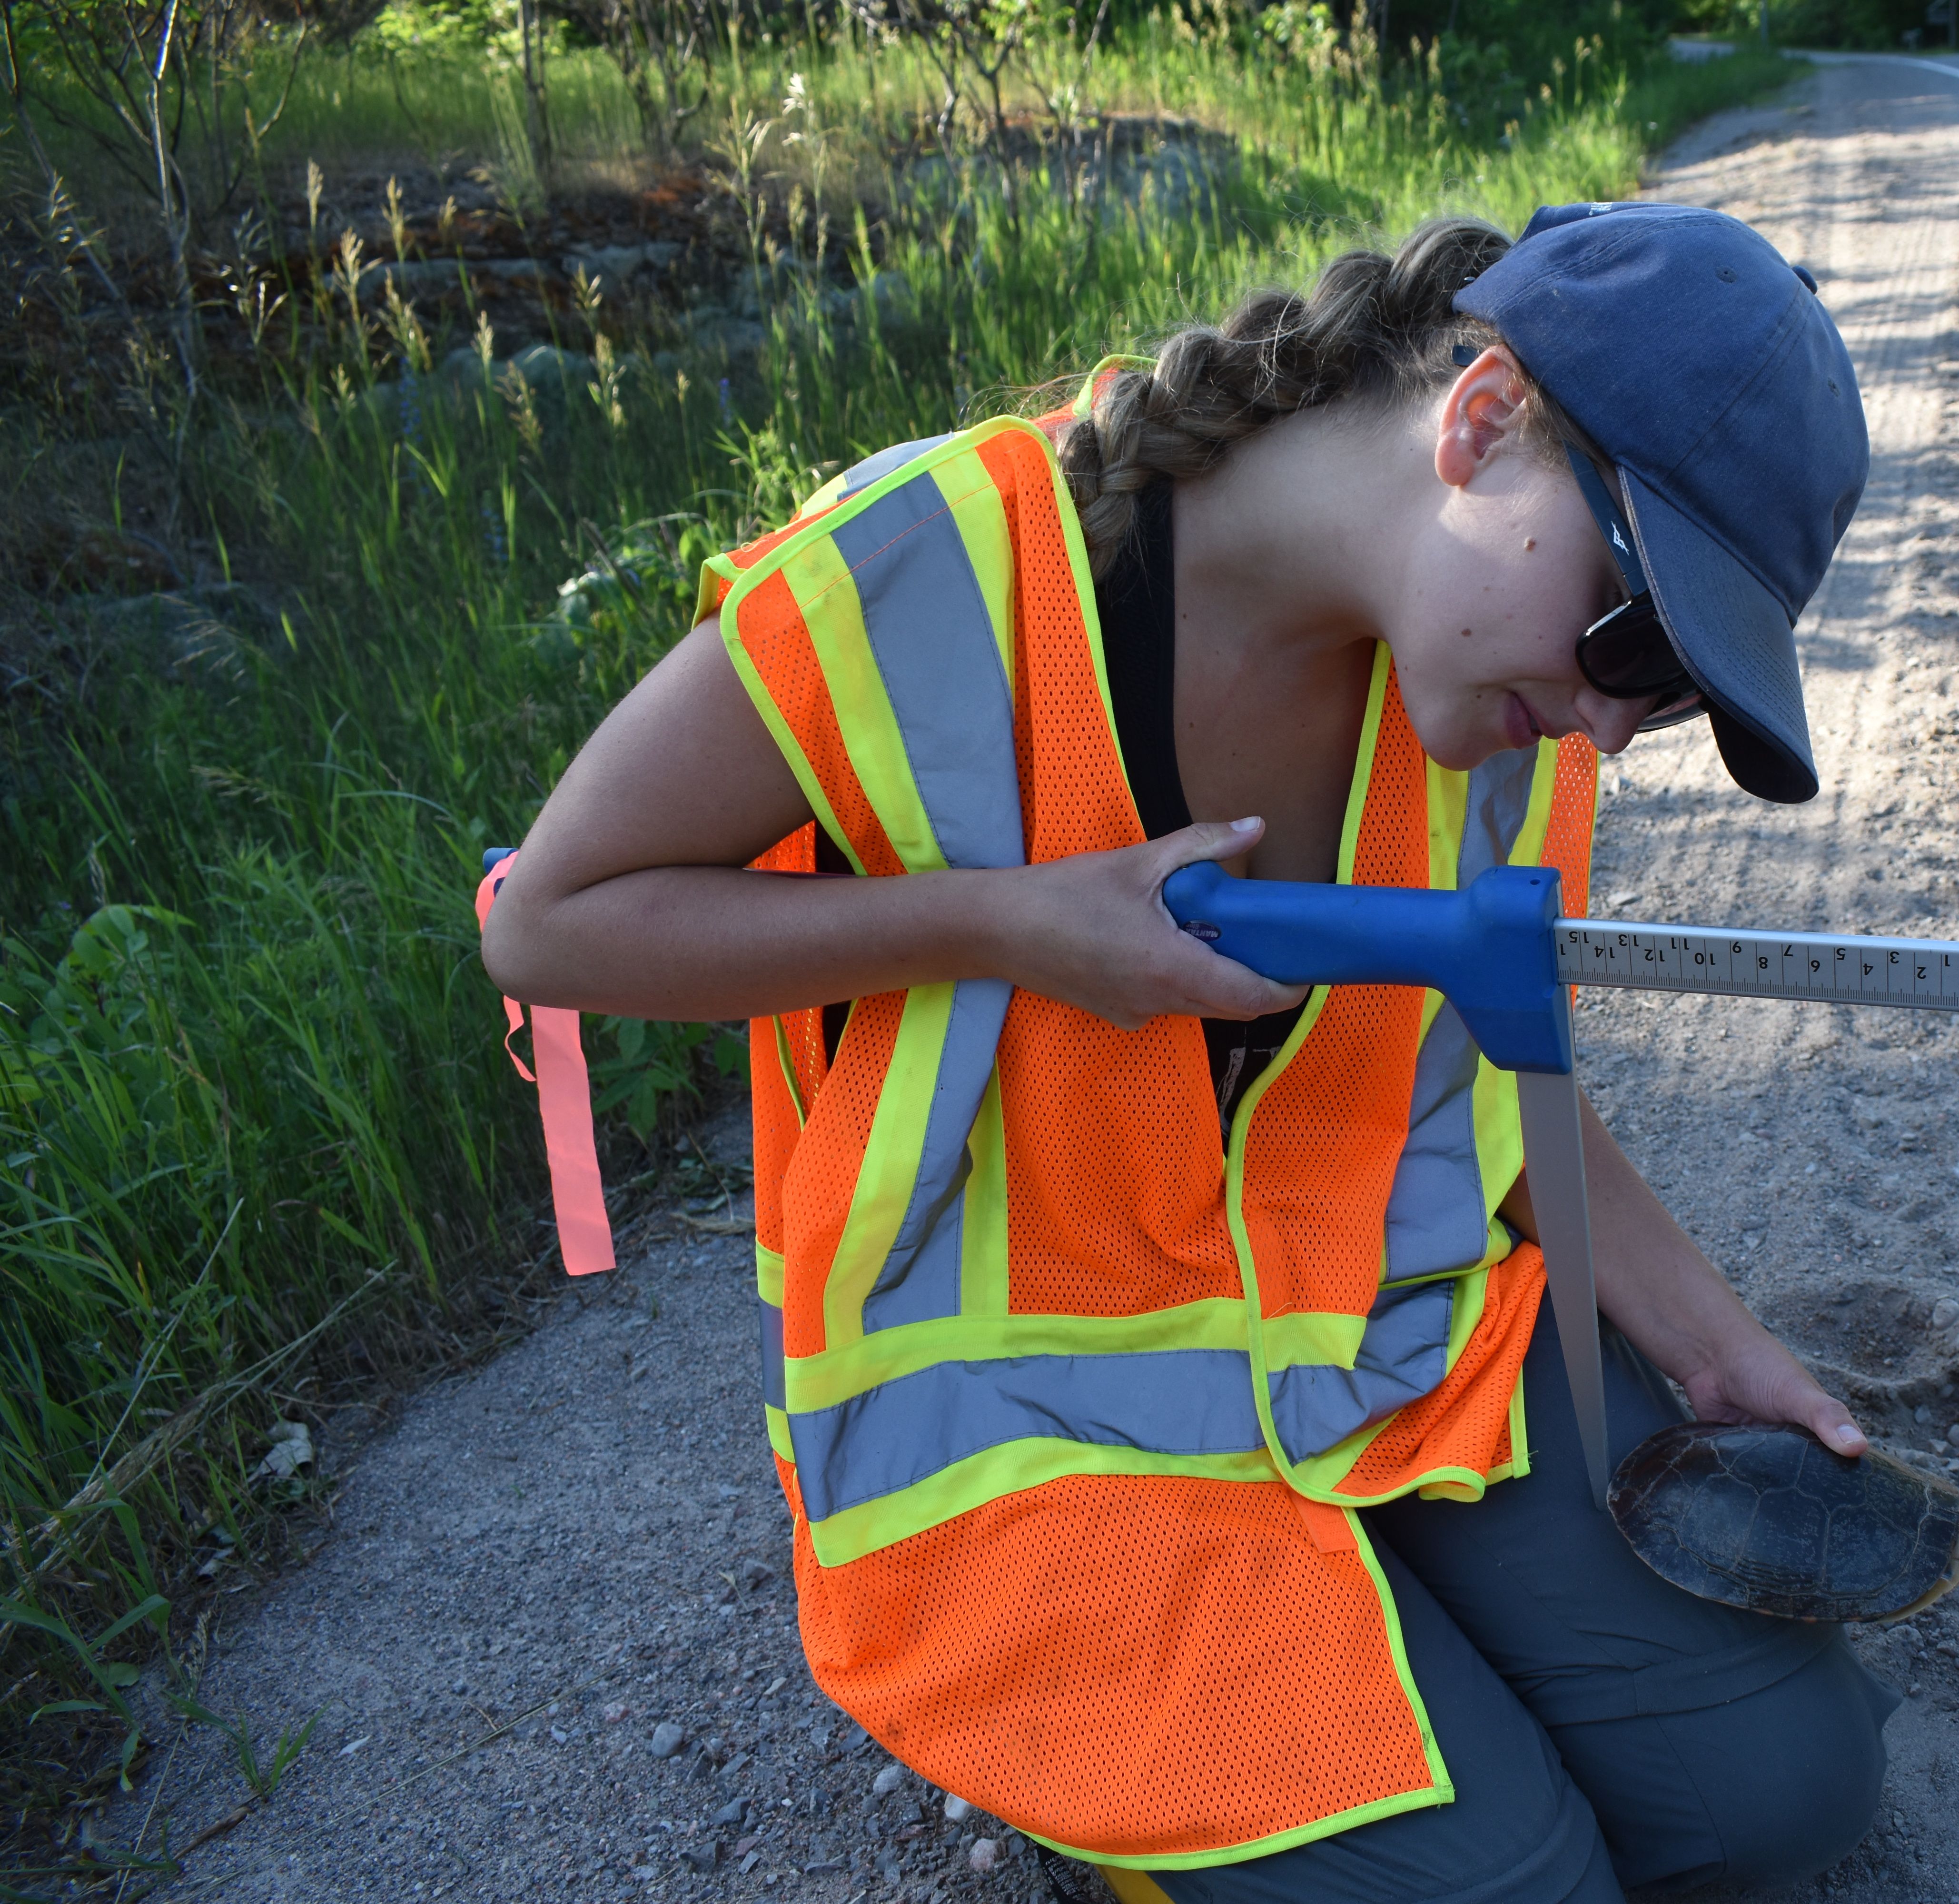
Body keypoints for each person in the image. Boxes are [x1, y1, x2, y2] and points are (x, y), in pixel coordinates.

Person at [481, 202, 1886, 1902]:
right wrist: (1007, 924)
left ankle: (1377, 1668)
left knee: (1785, 1793)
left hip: (1372, 1353)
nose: (1611, 719)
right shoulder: (938, 575)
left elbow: (1490, 1084)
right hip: (1041, 1429)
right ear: (1482, 419)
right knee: (1515, 1887)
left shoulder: (1493, 705)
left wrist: (1719, 1349)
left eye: (1671, 694)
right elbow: (548, 924)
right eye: (1632, 635)